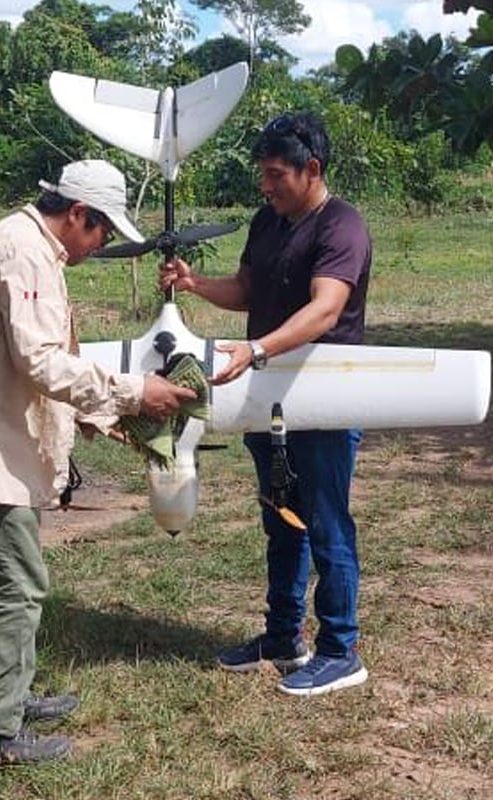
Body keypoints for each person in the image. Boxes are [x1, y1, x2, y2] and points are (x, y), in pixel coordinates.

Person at [0, 159, 198, 774]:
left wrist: (99, 417)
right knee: (15, 585)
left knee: (0, 581)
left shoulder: (28, 244)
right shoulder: (25, 254)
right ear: (78, 215)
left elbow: (28, 363)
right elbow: (40, 361)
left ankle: (8, 699)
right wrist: (129, 393)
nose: (102, 247)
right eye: (102, 233)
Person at [158, 112, 373, 697]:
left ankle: (340, 649)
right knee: (281, 520)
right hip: (268, 400)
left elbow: (325, 310)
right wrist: (196, 284)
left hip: (322, 399)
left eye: (276, 175)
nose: (266, 185)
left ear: (313, 170)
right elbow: (248, 290)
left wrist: (255, 349)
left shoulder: (341, 227)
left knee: (327, 523)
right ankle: (282, 636)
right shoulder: (268, 221)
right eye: (262, 174)